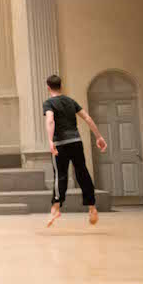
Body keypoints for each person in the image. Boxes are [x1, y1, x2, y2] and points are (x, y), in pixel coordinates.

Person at [43, 74, 107, 227]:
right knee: (82, 172)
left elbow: (50, 120)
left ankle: (56, 207)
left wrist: (50, 140)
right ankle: (92, 207)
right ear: (61, 86)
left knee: (61, 175)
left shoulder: (49, 103)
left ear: (48, 88)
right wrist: (99, 137)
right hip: (76, 141)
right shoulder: (71, 101)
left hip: (60, 143)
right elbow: (87, 118)